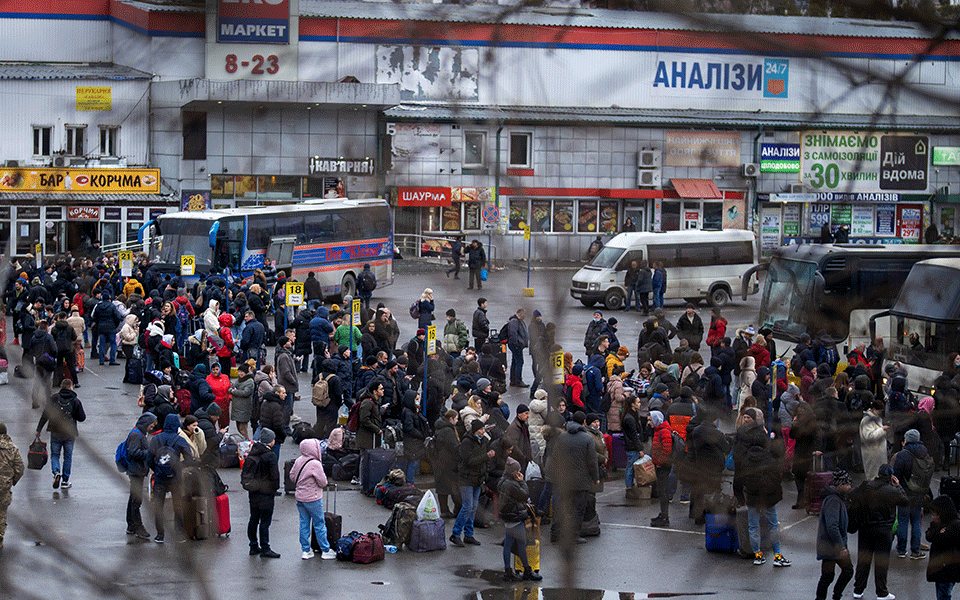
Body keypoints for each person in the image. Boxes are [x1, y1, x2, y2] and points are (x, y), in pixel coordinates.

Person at [851, 464, 908, 600]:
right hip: (884, 531)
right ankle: (881, 592)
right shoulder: (892, 491)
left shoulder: (866, 486)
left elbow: (852, 495)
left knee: (863, 560)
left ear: (878, 473)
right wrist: (898, 486)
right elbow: (905, 501)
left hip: (865, 528)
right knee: (881, 562)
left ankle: (858, 590)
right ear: (890, 477)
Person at [550, 410, 600, 544]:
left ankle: (555, 533)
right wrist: (596, 478)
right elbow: (592, 461)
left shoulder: (562, 437)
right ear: (584, 422)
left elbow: (554, 456)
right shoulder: (587, 439)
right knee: (578, 509)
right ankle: (574, 535)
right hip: (581, 481)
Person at [149, 413, 195, 543]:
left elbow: (149, 459)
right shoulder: (180, 440)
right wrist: (178, 467)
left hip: (159, 478)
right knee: (178, 506)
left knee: (159, 506)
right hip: (175, 479)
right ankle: (179, 534)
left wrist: (158, 469)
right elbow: (189, 460)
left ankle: (160, 535)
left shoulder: (156, 439)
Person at [291, 438, 337, 560]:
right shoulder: (315, 464)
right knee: (319, 523)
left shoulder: (299, 460)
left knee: (304, 523)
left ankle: (306, 550)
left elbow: (292, 476)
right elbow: (323, 482)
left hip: (300, 497)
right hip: (313, 498)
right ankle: (325, 550)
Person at [36, 379, 86, 490]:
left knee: (55, 455)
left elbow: (45, 414)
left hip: (55, 431)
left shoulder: (54, 399)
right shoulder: (75, 400)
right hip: (69, 433)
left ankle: (56, 472)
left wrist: (39, 429)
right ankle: (65, 481)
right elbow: (82, 417)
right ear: (70, 387)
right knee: (67, 457)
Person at [450, 420, 493, 548]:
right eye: (481, 430)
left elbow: (485, 462)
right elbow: (469, 461)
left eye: (484, 429)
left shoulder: (484, 441)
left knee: (473, 507)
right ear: (475, 430)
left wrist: (485, 474)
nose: (483, 432)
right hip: (466, 479)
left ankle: (468, 535)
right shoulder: (466, 442)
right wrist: (486, 456)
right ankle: (455, 534)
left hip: (478, 479)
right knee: (467, 506)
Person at [498, 461, 542, 582]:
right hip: (515, 517)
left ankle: (508, 571)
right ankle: (527, 570)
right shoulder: (512, 484)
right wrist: (522, 481)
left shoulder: (503, 481)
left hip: (508, 517)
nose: (520, 473)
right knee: (522, 544)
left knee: (508, 543)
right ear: (513, 472)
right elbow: (525, 494)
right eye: (518, 471)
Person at [893, 428, 932, 560]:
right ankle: (915, 550)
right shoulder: (924, 453)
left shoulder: (903, 455)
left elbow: (896, 475)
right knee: (916, 522)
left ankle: (901, 550)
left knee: (903, 521)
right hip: (918, 493)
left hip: (904, 492)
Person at [242, 427, 281, 558]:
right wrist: (274, 489)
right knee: (265, 522)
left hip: (253, 491)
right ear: (271, 441)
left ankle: (253, 545)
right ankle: (265, 548)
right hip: (266, 492)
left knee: (253, 518)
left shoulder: (253, 452)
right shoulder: (270, 456)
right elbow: (274, 476)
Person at [816, 469, 854, 600]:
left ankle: (825, 597)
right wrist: (841, 547)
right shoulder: (834, 500)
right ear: (840, 485)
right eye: (847, 484)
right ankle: (835, 596)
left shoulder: (837, 498)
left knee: (828, 575)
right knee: (846, 571)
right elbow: (832, 526)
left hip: (829, 544)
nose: (850, 487)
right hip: (832, 545)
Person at [124, 412, 158, 540]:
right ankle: (138, 527)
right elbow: (133, 452)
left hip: (138, 471)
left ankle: (131, 525)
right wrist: (148, 453)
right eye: (151, 425)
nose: (152, 427)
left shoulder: (140, 433)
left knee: (133, 498)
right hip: (136, 471)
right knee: (136, 500)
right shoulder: (136, 435)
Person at [927, 494, 960, 600]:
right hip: (943, 568)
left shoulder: (955, 525)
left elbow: (940, 539)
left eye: (935, 513)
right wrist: (937, 529)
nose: (932, 516)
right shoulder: (941, 525)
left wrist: (937, 531)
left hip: (947, 569)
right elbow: (929, 535)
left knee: (943, 594)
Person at [0, 422, 24, 550]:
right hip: (4, 485)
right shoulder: (12, 448)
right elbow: (20, 467)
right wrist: (11, 480)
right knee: (2, 512)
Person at [434, 409, 462, 519]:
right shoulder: (448, 431)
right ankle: (456, 509)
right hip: (448, 463)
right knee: (454, 488)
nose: (457, 421)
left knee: (442, 489)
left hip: (440, 462)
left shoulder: (440, 427)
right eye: (456, 419)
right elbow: (454, 447)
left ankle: (444, 510)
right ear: (450, 419)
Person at [399, 390, 430, 483]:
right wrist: (421, 435)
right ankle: (410, 483)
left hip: (413, 442)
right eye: (416, 399)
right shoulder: (408, 413)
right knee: (411, 464)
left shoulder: (413, 411)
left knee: (411, 463)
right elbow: (409, 428)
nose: (418, 401)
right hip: (412, 442)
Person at [649, 409, 673, 527]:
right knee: (661, 490)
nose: (649, 422)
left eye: (650, 420)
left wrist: (660, 462)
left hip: (663, 466)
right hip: (661, 465)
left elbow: (667, 449)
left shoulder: (663, 431)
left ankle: (664, 517)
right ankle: (663, 514)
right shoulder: (660, 430)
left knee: (663, 491)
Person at [622, 395, 644, 499]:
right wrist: (639, 448)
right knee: (630, 467)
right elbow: (634, 435)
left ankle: (630, 486)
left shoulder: (632, 415)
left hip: (632, 445)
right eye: (638, 402)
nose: (640, 404)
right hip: (632, 447)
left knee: (631, 467)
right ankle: (629, 487)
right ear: (632, 404)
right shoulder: (629, 418)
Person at [504, 403, 533, 475]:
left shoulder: (523, 425)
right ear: (519, 414)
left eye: (528, 414)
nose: (528, 416)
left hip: (524, 459)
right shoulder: (514, 428)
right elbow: (513, 445)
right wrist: (523, 457)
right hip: (520, 461)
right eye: (526, 413)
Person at [229, 362, 255, 439]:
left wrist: (234, 391)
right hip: (237, 408)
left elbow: (245, 393)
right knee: (239, 427)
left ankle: (247, 442)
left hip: (244, 408)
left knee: (243, 428)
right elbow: (231, 387)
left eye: (242, 372)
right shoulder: (240, 379)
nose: (240, 373)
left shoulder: (249, 381)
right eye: (239, 371)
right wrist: (232, 390)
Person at [206, 362, 232, 430]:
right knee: (211, 424)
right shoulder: (208, 378)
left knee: (225, 424)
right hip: (214, 404)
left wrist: (230, 397)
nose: (215, 371)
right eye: (213, 369)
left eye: (217, 369)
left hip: (225, 404)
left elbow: (229, 387)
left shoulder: (225, 377)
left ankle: (224, 438)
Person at [507, 308, 529, 387]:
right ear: (520, 313)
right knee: (519, 362)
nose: (525, 316)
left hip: (517, 345)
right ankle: (518, 380)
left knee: (515, 361)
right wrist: (516, 344)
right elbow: (513, 333)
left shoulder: (517, 321)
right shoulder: (515, 321)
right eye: (524, 314)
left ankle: (513, 380)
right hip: (516, 345)